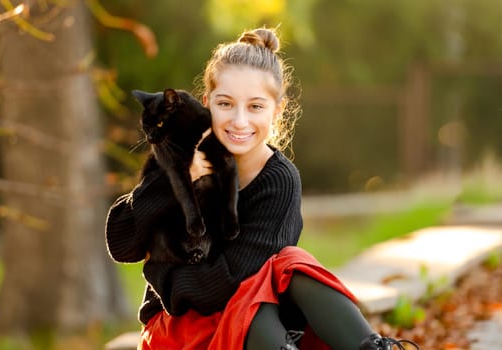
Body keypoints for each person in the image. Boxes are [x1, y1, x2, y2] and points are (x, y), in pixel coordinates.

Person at [106, 27, 418, 350]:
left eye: (255, 107)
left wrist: (163, 274)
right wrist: (178, 180)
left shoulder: (279, 181)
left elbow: (231, 284)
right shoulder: (178, 155)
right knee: (256, 292)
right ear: (206, 103)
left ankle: (371, 347)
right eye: (225, 104)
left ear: (277, 110)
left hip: (246, 320)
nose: (239, 121)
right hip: (178, 329)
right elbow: (121, 242)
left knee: (288, 265)